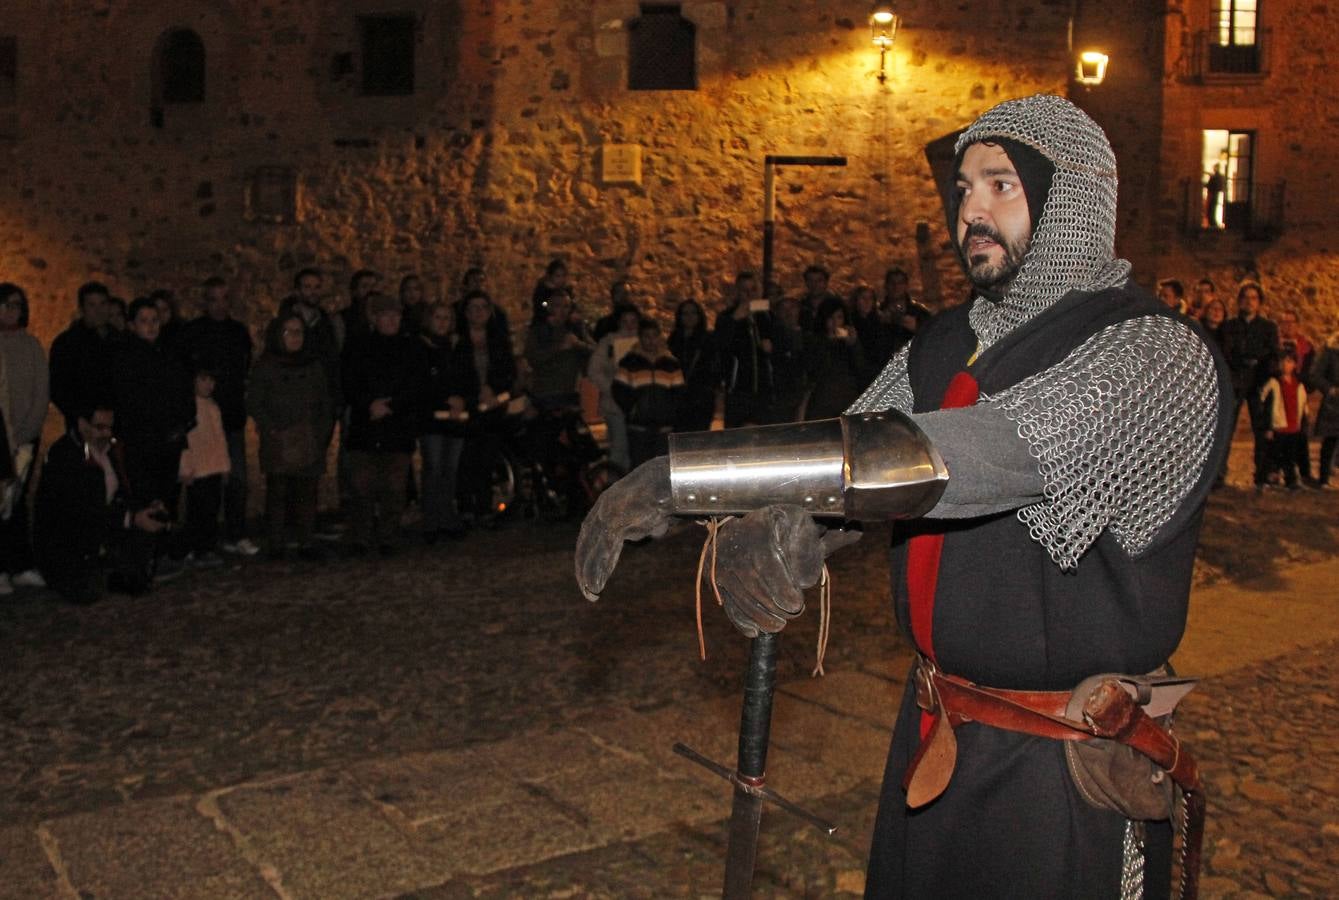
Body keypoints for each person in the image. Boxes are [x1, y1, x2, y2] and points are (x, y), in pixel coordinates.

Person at [575, 94, 1233, 899]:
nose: (971, 213)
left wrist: (685, 476)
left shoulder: (1151, 354)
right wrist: (790, 522)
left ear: (1070, 201)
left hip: (1064, 758)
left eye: (1000, 186)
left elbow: (957, 457)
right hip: (936, 728)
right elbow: (855, 466)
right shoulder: (945, 343)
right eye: (961, 190)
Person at [32, 402, 171, 603]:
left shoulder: (112, 449)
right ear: (82, 424)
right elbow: (79, 511)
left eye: (109, 427)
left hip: (102, 525)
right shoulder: (65, 455)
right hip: (68, 539)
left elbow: (133, 483)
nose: (106, 433)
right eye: (100, 427)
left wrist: (151, 503)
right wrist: (131, 518)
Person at [177, 276, 257, 556]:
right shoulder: (192, 333)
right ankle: (198, 540)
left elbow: (244, 369)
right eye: (214, 299)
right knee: (200, 486)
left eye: (225, 298)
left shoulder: (238, 332)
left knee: (236, 479)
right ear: (205, 301)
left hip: (230, 417)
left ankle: (235, 533)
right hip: (199, 420)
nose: (219, 305)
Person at [341, 293, 424, 555]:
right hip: (366, 428)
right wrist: (368, 405)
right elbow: (349, 381)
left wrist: (391, 406)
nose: (391, 320)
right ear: (374, 318)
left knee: (394, 487)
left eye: (395, 315)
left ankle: (388, 536)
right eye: (386, 315)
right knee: (362, 486)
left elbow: (415, 384)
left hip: (397, 427)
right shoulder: (358, 346)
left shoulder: (411, 348)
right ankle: (361, 537)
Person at [248, 315, 335, 559]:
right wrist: (272, 428)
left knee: (307, 491)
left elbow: (324, 402)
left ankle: (306, 542)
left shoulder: (313, 366)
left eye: (299, 332)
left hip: (308, 436)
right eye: (289, 332)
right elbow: (255, 401)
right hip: (279, 437)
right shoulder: (266, 365)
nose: (295, 337)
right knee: (278, 491)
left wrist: (320, 432)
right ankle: (276, 544)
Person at [0, 283, 48, 595]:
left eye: (16, 305)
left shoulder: (31, 346)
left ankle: (19, 564)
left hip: (23, 439)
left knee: (16, 504)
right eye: (4, 305)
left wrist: (25, 433)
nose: (10, 311)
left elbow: (39, 393)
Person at [417, 302, 469, 542]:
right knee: (434, 468)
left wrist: (461, 399)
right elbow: (423, 381)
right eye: (438, 317)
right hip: (433, 418)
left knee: (450, 469)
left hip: (455, 419)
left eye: (446, 318)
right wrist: (446, 398)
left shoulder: (457, 347)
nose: (442, 322)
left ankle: (447, 516)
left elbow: (466, 376)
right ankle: (431, 519)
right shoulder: (421, 347)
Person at [1222, 281, 1279, 487]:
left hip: (1258, 382)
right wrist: (1243, 361)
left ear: (1260, 303)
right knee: (1226, 429)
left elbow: (1272, 354)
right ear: (1239, 301)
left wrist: (1263, 371)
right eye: (1245, 298)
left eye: (1253, 298)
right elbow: (1227, 352)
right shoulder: (1229, 326)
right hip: (1236, 381)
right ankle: (1219, 474)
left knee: (1262, 429)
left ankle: (1262, 473)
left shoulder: (1268, 327)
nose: (1249, 302)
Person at [612, 318, 684, 466]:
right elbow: (619, 391)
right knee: (639, 467)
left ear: (660, 337)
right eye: (646, 336)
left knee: (663, 468)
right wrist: (632, 409)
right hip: (638, 427)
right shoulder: (629, 363)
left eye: (654, 336)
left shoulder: (670, 364)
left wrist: (671, 413)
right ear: (640, 338)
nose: (650, 341)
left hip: (664, 427)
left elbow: (679, 394)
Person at [177, 368, 230, 567]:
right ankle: (196, 548)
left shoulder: (213, 407)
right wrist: (185, 468)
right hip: (198, 469)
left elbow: (220, 438)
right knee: (197, 511)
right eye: (203, 380)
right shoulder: (188, 407)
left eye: (211, 380)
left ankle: (205, 548)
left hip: (214, 467)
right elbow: (185, 442)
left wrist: (224, 466)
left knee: (211, 510)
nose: (209, 385)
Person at [49, 281, 116, 430]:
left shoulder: (121, 340)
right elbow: (58, 388)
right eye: (92, 305)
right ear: (82, 308)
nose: (99, 310)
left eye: (103, 304)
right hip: (83, 425)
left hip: (118, 425)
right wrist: (86, 413)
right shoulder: (67, 343)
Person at [715, 271, 773, 428]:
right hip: (738, 390)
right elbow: (720, 345)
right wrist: (734, 320)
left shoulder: (767, 315)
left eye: (753, 290)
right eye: (744, 290)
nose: (749, 294)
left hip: (764, 390)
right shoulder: (726, 317)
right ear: (737, 292)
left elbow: (780, 343)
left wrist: (771, 347)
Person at [587, 304, 641, 472]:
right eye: (625, 321)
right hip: (615, 404)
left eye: (633, 321)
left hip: (640, 405)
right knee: (619, 448)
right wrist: (613, 389)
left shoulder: (646, 340)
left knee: (636, 450)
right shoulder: (609, 342)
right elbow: (594, 370)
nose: (629, 325)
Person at [804, 304, 867, 421]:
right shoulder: (814, 340)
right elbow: (814, 368)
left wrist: (853, 345)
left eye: (839, 317)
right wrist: (828, 343)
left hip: (847, 396)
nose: (835, 322)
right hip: (823, 398)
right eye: (830, 318)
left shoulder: (849, 342)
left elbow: (860, 366)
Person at [1258, 352, 1309, 491]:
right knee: (1272, 455)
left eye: (1289, 362)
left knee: (1290, 456)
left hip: (1293, 426)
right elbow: (1266, 404)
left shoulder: (1299, 384)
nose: (1286, 365)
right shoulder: (1274, 383)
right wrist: (1268, 426)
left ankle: (1290, 480)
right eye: (1284, 362)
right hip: (1278, 425)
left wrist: (1303, 424)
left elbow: (1303, 406)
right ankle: (1266, 479)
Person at [667, 299, 717, 432]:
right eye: (685, 313)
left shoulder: (707, 338)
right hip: (679, 397)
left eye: (693, 313)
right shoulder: (674, 339)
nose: (689, 317)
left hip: (701, 396)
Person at [1309, 325, 1339, 489]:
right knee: (1331, 439)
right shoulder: (1330, 350)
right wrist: (1330, 389)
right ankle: (1324, 478)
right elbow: (1316, 374)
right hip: (1334, 404)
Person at [797, 264, 842, 332]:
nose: (814, 284)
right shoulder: (800, 305)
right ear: (806, 282)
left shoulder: (838, 305)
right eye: (810, 280)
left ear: (826, 282)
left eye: (819, 280)